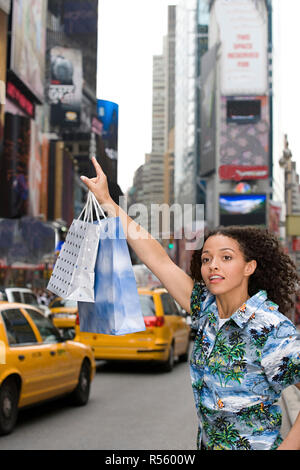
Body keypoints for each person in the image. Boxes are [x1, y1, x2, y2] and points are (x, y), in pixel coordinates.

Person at [81, 157, 300, 451]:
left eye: (226, 257)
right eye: (207, 258)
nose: (212, 266)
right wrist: (108, 202)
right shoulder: (205, 308)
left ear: (249, 267)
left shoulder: (271, 328)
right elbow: (158, 258)